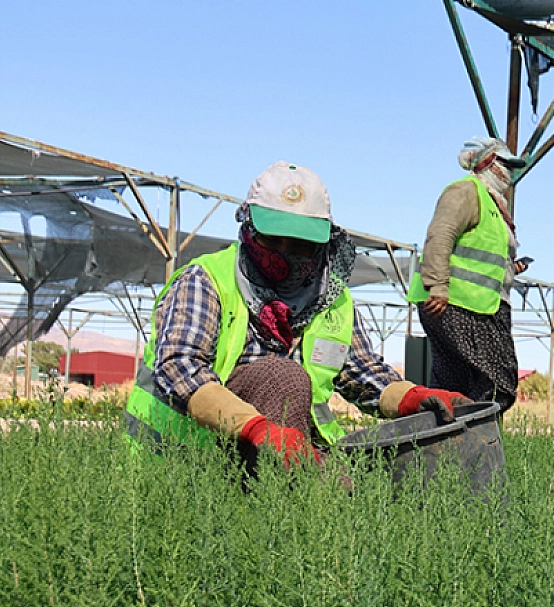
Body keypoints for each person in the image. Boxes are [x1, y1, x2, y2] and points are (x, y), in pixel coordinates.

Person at [124, 162, 469, 470]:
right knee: (282, 376)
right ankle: (274, 504)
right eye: (275, 240)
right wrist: (255, 427)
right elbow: (179, 367)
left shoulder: (333, 301)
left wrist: (412, 397)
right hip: (181, 456)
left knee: (357, 489)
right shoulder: (206, 280)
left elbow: (362, 372)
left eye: (302, 244)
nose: (286, 254)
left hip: (287, 449)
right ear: (249, 229)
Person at [407, 137, 530, 411]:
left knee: (456, 384)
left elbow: (481, 255)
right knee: (497, 380)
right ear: (487, 163)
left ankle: (451, 446)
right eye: (505, 164)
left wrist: (512, 269)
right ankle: (476, 442)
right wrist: (437, 285)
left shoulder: (494, 205)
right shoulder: (466, 191)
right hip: (457, 304)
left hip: (477, 304)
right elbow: (441, 234)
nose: (510, 172)